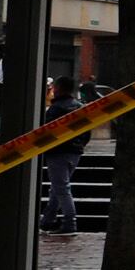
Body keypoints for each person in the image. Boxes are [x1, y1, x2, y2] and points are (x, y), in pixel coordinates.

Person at [38, 77, 83, 232]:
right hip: (74, 152)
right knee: (58, 187)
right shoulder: (79, 107)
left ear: (59, 88)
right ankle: (47, 219)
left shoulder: (55, 109)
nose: (52, 89)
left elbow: (47, 131)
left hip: (57, 152)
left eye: (54, 86)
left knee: (61, 188)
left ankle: (70, 222)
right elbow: (86, 132)